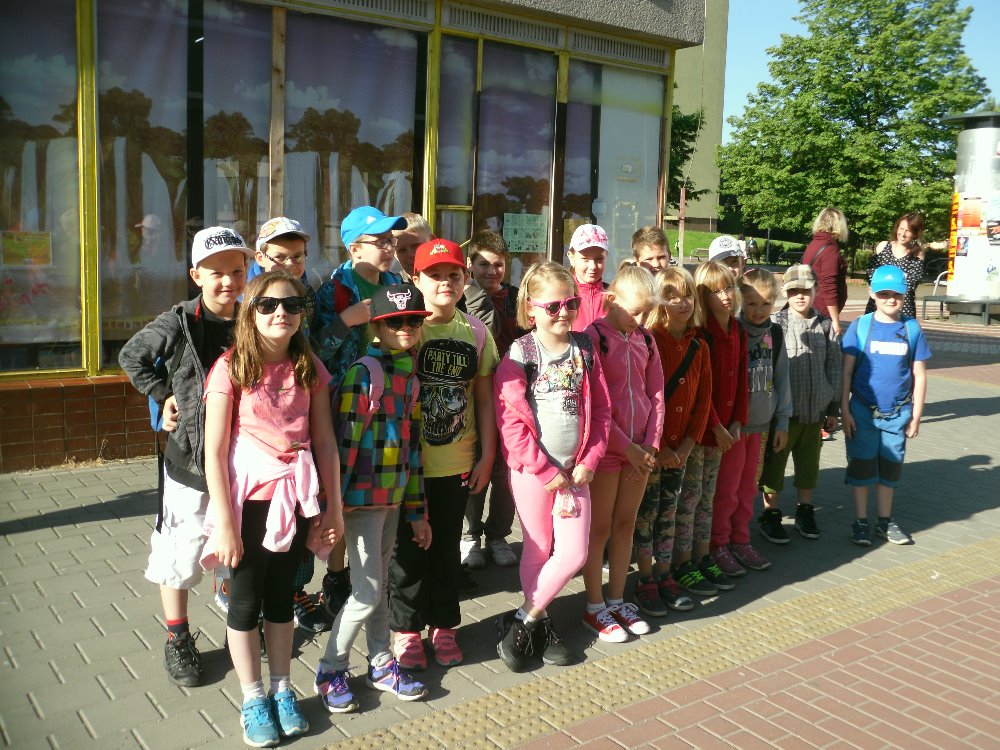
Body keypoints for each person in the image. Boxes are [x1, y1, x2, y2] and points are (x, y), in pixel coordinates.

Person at [201, 270, 344, 747]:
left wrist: (332, 509)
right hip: (248, 506)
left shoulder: (308, 366)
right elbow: (214, 452)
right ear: (250, 313)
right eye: (267, 305)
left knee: (283, 599)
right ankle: (252, 697)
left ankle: (282, 689)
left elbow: (325, 442)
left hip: (296, 500)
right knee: (245, 603)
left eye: (291, 304)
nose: (280, 312)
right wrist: (225, 524)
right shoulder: (230, 368)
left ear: (302, 313)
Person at [118, 226, 252, 688]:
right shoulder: (178, 322)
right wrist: (163, 394)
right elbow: (132, 356)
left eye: (237, 271)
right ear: (197, 275)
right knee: (181, 552)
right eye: (216, 273)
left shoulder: (253, 318)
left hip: (242, 461)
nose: (228, 281)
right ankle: (177, 637)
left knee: (237, 547)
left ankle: (241, 628)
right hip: (190, 464)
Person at [315, 284, 432, 714]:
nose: (406, 328)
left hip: (392, 500)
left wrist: (417, 511)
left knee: (378, 586)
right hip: (360, 503)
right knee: (365, 592)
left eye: (413, 320)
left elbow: (413, 450)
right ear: (376, 328)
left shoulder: (410, 377)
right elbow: (343, 446)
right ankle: (331, 667)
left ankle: (381, 661)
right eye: (394, 321)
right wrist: (335, 505)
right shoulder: (363, 375)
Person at [493, 261, 611, 670]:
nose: (564, 312)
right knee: (538, 547)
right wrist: (545, 471)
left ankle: (524, 619)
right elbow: (510, 422)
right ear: (530, 308)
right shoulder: (520, 353)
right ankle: (542, 625)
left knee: (574, 553)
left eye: (571, 303)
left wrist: (590, 460)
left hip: (576, 472)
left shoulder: (585, 349)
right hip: (533, 474)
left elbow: (602, 412)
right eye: (553, 306)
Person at [389, 239, 499, 670]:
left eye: (453, 275)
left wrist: (487, 455)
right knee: (406, 551)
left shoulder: (476, 332)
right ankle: (405, 629)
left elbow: (485, 399)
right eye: (434, 275)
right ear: (415, 279)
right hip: (405, 465)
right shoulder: (402, 327)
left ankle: (444, 624)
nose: (445, 283)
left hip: (456, 461)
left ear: (465, 278)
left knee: (446, 547)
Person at [314, 206, 406, 623]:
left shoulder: (394, 285)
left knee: (374, 491)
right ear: (355, 249)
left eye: (391, 240)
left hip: (388, 405)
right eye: (379, 241)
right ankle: (336, 575)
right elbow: (314, 351)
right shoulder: (334, 291)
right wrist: (346, 321)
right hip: (344, 407)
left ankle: (365, 574)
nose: (388, 248)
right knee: (340, 491)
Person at [581, 263, 664, 642]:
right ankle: (594, 606)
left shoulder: (647, 340)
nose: (641, 320)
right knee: (599, 529)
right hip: (607, 451)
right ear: (611, 300)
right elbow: (595, 404)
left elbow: (657, 395)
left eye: (647, 312)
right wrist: (627, 448)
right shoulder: (593, 338)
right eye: (635, 311)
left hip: (640, 452)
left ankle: (617, 599)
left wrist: (650, 445)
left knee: (626, 524)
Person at [632, 267, 711, 618]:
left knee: (670, 511)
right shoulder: (650, 341)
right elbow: (646, 397)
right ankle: (645, 577)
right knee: (647, 514)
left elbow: (703, 400)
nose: (682, 302)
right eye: (672, 295)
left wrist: (687, 445)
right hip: (653, 449)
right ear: (659, 302)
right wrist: (660, 444)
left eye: (687, 295)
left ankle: (665, 575)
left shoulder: (699, 345)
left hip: (681, 450)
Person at [672, 261, 748, 597]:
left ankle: (703, 557)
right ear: (703, 297)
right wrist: (716, 425)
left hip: (725, 432)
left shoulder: (737, 330)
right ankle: (682, 561)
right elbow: (702, 389)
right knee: (689, 498)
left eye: (728, 287)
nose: (725, 296)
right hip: (701, 432)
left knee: (708, 497)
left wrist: (737, 421)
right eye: (715, 291)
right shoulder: (701, 335)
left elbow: (742, 378)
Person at [709, 269, 791, 577]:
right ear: (741, 301)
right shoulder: (734, 331)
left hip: (761, 427)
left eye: (766, 303)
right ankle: (719, 544)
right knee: (727, 490)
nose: (758, 310)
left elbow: (782, 379)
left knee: (747, 490)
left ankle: (741, 541)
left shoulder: (775, 334)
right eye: (752, 303)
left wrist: (782, 422)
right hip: (734, 429)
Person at [841, 265, 930, 546]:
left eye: (896, 294)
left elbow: (919, 375)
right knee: (861, 467)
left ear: (905, 295)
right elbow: (846, 372)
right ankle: (860, 521)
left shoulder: (911, 329)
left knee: (890, 469)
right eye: (883, 294)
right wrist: (844, 409)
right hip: (862, 413)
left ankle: (884, 521)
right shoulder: (861, 326)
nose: (890, 299)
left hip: (898, 415)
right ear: (871, 293)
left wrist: (916, 416)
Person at [758, 265, 842, 543]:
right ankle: (771, 513)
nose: (800, 296)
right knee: (775, 467)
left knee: (808, 467)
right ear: (785, 293)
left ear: (815, 291)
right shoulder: (776, 325)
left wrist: (833, 407)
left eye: (806, 290)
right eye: (794, 291)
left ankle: (805, 509)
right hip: (784, 416)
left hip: (815, 415)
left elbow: (834, 368)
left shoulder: (825, 326)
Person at [461, 230, 525, 570]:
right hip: (473, 397)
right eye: (483, 264)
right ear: (470, 265)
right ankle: (470, 535)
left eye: (498, 265)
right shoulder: (461, 298)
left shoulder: (517, 298)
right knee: (475, 464)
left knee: (506, 472)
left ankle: (498, 534)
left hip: (512, 397)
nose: (491, 271)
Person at [864, 212, 925, 320]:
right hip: (878, 304)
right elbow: (870, 274)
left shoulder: (917, 254)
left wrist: (885, 276)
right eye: (901, 229)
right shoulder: (883, 246)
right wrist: (900, 277)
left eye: (908, 231)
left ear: (915, 234)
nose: (903, 234)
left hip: (903, 307)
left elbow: (911, 284)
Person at [801, 207, 849, 336]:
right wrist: (835, 320)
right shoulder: (830, 250)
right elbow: (829, 287)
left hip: (813, 306)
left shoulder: (815, 243)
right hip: (822, 312)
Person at [566, 223, 609, 331]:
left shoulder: (613, 297)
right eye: (585, 259)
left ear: (606, 257)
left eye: (599, 259)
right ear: (571, 258)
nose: (593, 266)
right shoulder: (563, 296)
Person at [393, 212, 432, 283]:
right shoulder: (393, 285)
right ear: (395, 254)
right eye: (402, 250)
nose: (411, 255)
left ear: (432, 241)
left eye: (416, 246)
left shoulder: (448, 281)